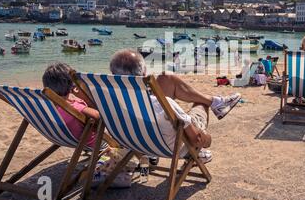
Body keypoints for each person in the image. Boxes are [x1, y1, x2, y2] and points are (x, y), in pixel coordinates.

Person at [109, 49, 242, 161]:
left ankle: (216, 102)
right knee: (200, 103)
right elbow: (197, 139)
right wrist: (207, 140)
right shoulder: (162, 104)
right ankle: (215, 103)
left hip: (137, 143)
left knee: (166, 78)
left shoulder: (109, 101)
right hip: (170, 147)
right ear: (144, 73)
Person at [42, 62, 100, 148]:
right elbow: (99, 117)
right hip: (91, 143)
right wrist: (84, 97)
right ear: (71, 84)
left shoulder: (49, 106)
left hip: (64, 138)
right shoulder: (75, 107)